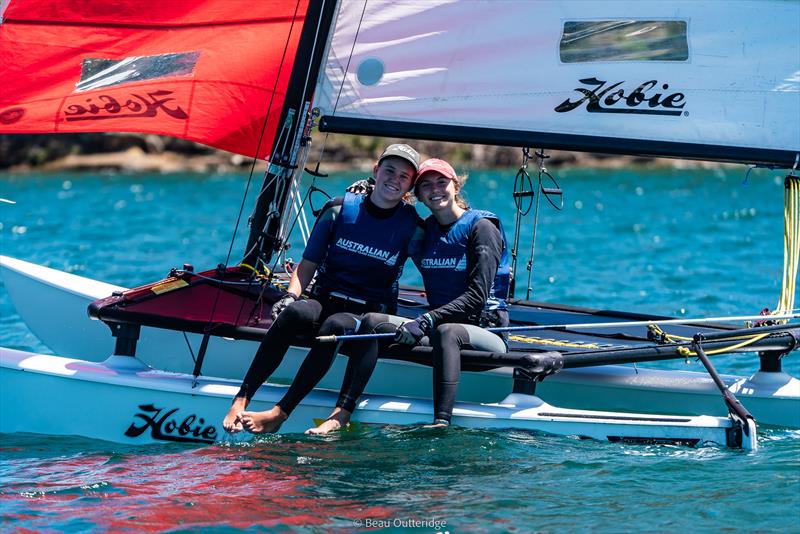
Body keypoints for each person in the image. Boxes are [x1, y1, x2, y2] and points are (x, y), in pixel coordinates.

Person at [222, 143, 423, 434]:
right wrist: (290, 296)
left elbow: (437, 270)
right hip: (325, 296)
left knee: (335, 325)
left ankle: (281, 412)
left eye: (404, 176)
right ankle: (242, 398)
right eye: (389, 170)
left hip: (368, 314)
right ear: (376, 171)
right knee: (294, 314)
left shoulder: (413, 227)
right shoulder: (339, 210)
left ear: (410, 184)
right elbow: (308, 264)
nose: (395, 179)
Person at [308, 158, 510, 433]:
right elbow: (381, 228)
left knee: (448, 331)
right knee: (373, 322)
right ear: (418, 195)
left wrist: (426, 320)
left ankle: (441, 425)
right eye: (425, 185)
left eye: (442, 182)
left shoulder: (481, 228)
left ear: (456, 185)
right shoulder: (424, 232)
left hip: (486, 331)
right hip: (438, 327)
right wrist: (365, 191)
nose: (434, 189)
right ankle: (342, 413)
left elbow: (476, 296)